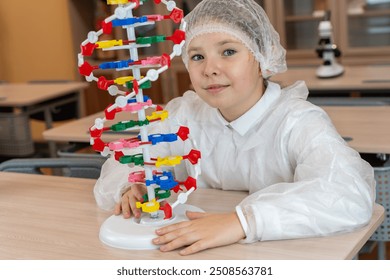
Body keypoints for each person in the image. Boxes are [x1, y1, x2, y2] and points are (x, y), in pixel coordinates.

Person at [94, 0, 375, 255]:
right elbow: (131, 159)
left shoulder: (297, 121)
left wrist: (243, 221)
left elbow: (347, 194)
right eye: (197, 56)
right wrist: (134, 185)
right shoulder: (183, 115)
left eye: (228, 51)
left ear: (262, 58)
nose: (210, 69)